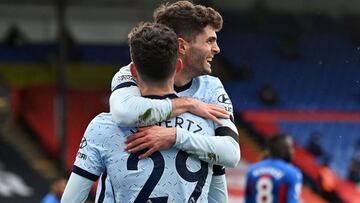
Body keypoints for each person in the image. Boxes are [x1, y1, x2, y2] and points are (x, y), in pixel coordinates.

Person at [61, 22, 239, 203]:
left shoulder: (103, 127)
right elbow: (218, 199)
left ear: (132, 70)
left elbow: (70, 199)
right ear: (178, 66)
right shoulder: (208, 130)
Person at [245, 133, 303, 203]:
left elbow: (248, 200)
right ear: (283, 150)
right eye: (290, 147)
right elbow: (292, 201)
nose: (292, 151)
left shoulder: (252, 170)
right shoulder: (292, 173)